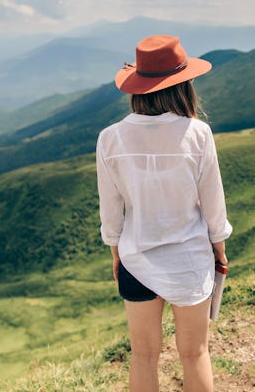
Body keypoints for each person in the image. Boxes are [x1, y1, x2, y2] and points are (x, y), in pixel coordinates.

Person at [96, 35, 233, 392]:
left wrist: (115, 250)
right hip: (189, 257)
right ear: (183, 86)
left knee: (143, 356)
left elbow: (110, 207)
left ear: (137, 88)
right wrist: (218, 248)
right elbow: (213, 201)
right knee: (195, 354)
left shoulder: (110, 138)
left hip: (135, 257)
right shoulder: (198, 134)